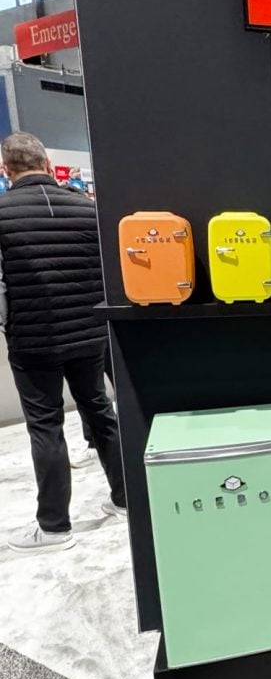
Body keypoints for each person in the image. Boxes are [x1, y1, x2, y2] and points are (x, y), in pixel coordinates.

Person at [0, 132, 126, 553]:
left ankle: (54, 527)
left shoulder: (4, 211)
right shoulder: (85, 208)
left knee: (46, 427)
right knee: (101, 412)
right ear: (48, 163)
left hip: (34, 341)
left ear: (6, 169)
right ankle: (127, 501)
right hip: (90, 334)